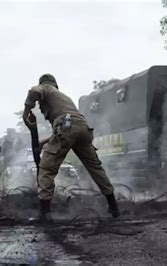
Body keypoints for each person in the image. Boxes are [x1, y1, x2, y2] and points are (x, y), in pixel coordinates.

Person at [23, 73, 120, 223]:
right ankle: (113, 207)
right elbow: (71, 126)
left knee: (46, 169)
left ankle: (45, 215)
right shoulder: (63, 97)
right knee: (95, 168)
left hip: (67, 128)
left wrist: (26, 112)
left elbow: (34, 92)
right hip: (83, 129)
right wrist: (46, 141)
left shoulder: (46, 88)